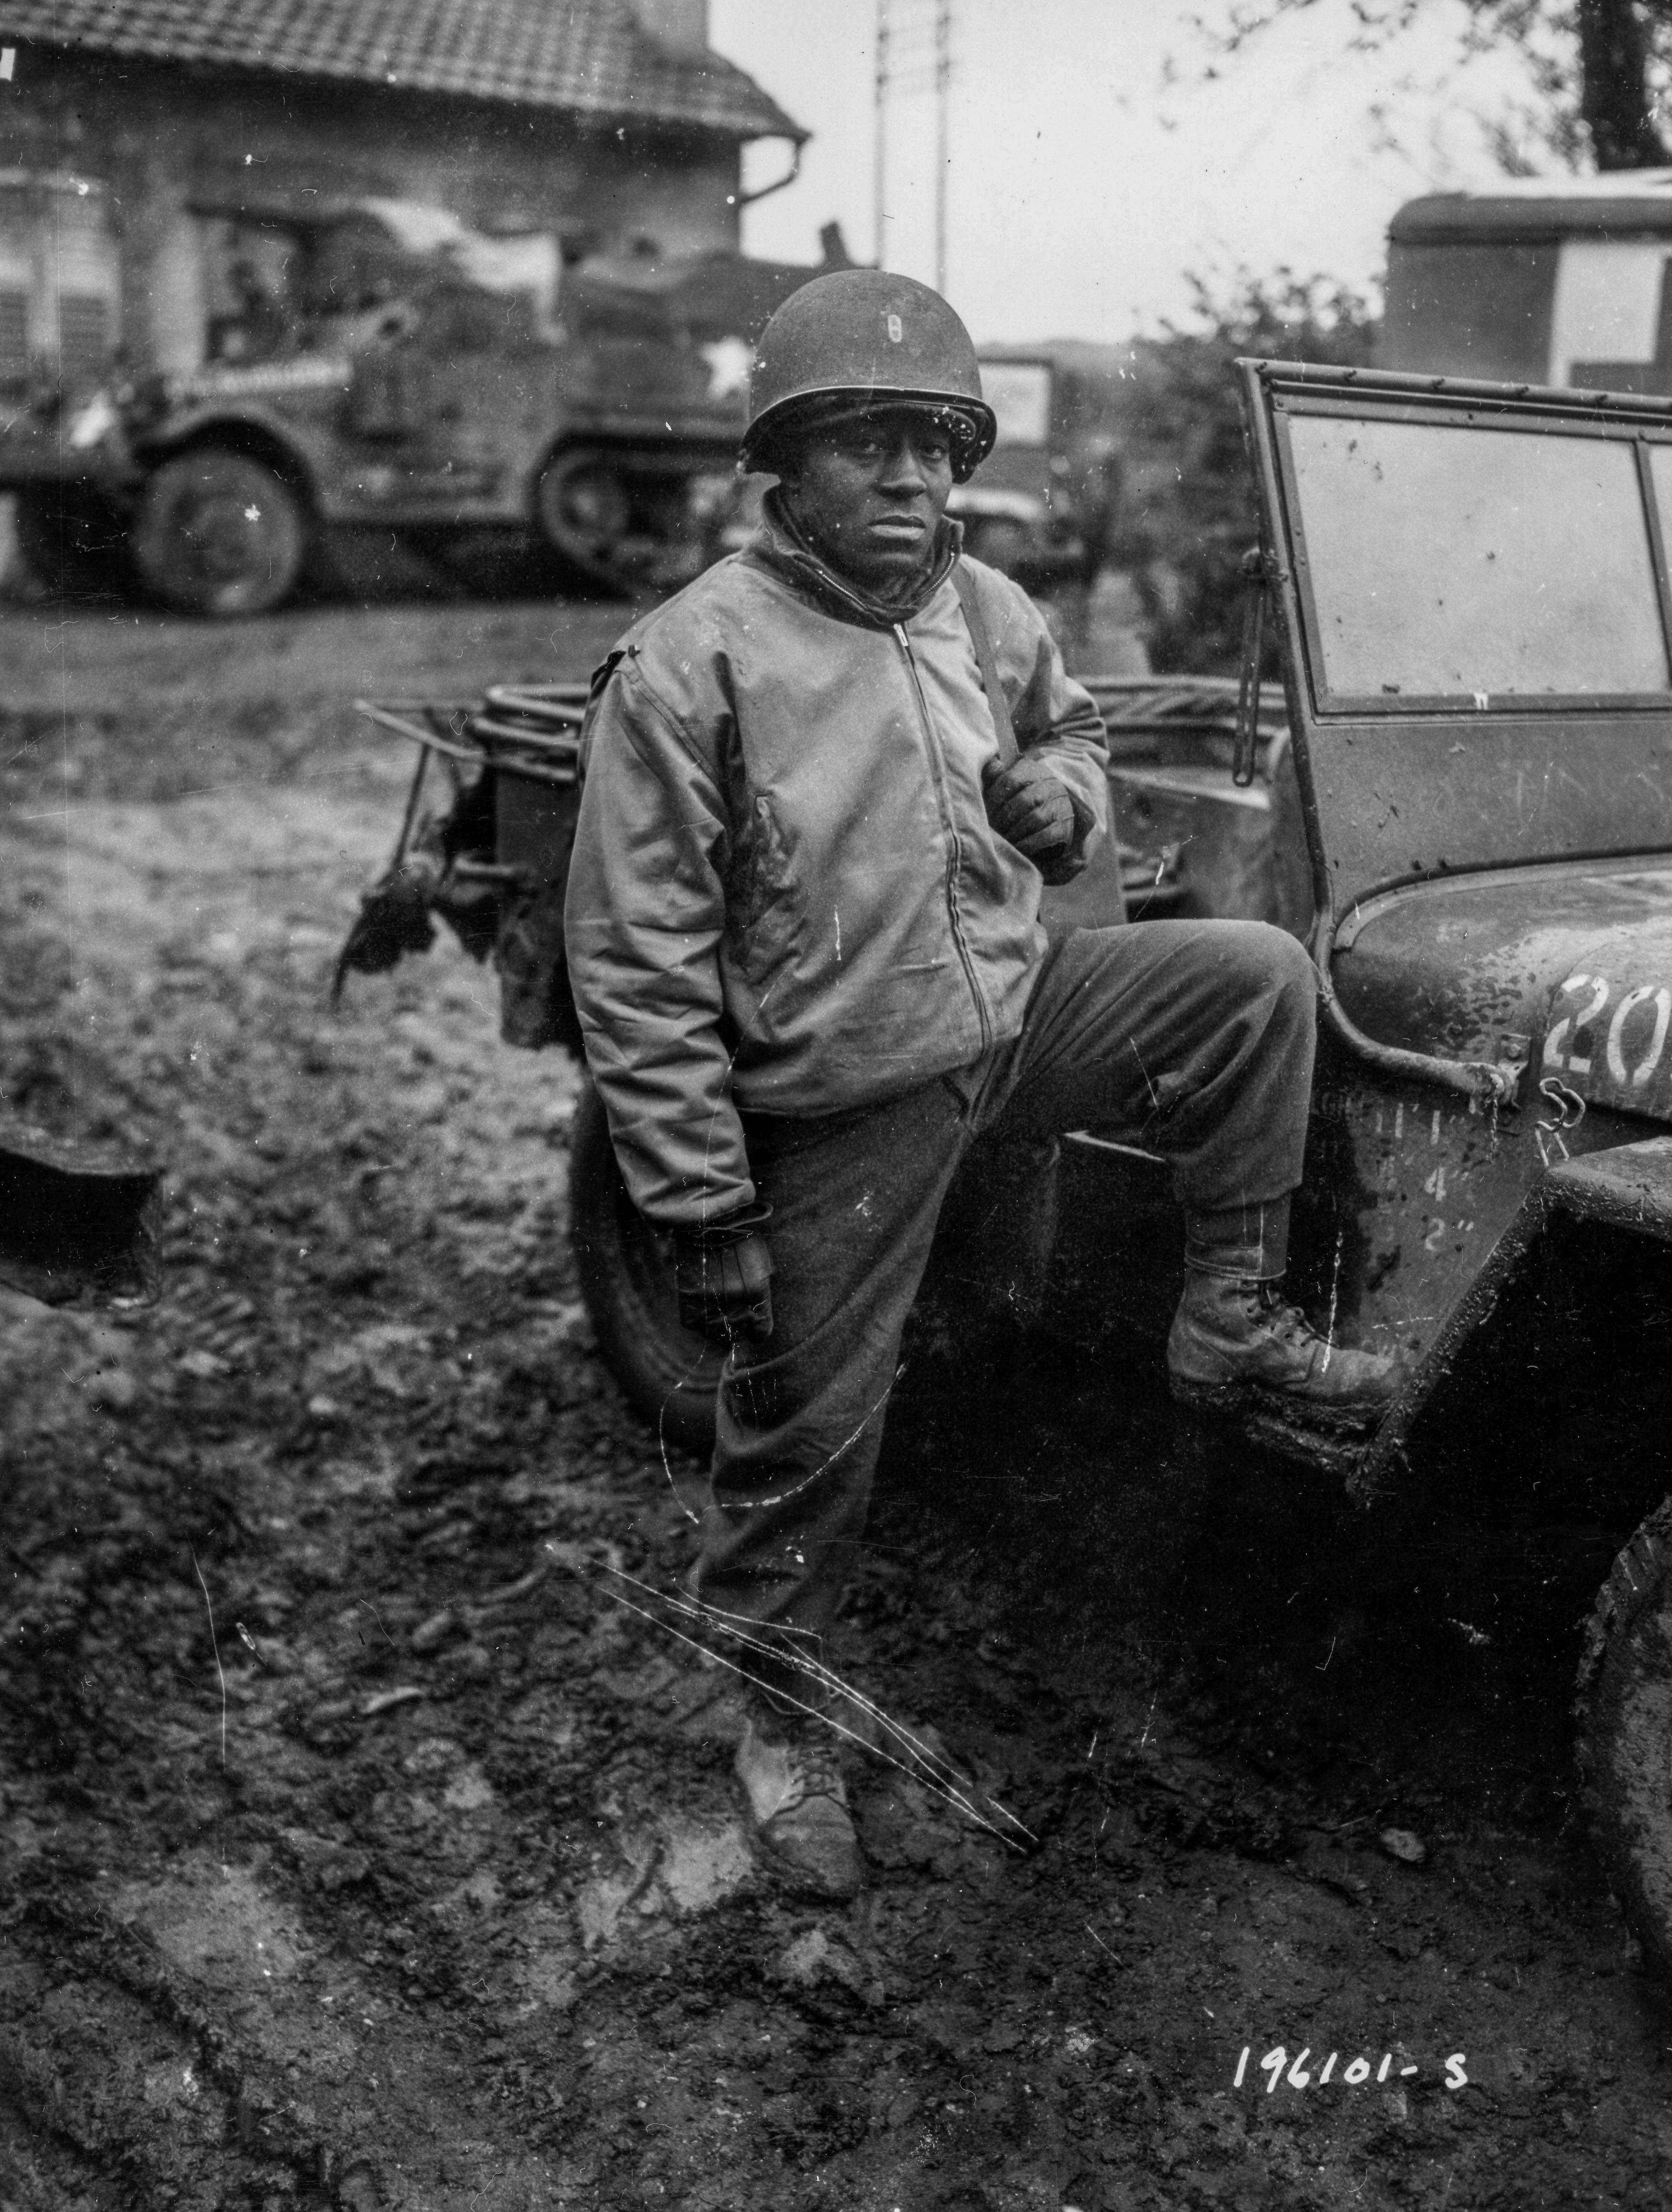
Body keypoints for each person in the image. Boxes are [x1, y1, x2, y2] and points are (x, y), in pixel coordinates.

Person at [564, 271, 1400, 1900]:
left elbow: (1074, 735)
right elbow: (636, 965)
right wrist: (693, 1197)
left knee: (1250, 979)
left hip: (1014, 1023)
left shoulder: (989, 610)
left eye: (936, 446)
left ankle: (1224, 1313)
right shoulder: (692, 663)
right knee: (808, 1428)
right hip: (844, 1091)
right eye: (867, 443)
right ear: (784, 467)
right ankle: (779, 1717)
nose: (913, 480)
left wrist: (1063, 796)